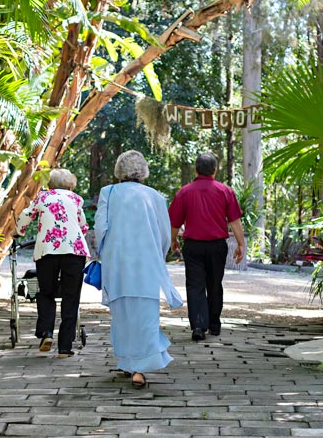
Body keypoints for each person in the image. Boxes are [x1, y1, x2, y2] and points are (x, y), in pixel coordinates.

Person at [95, 150, 183, 389]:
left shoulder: (108, 193)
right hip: (146, 263)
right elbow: (164, 232)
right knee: (145, 315)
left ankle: (128, 362)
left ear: (119, 170)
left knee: (121, 314)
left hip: (118, 263)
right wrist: (158, 254)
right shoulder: (154, 196)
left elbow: (101, 228)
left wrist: (103, 254)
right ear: (143, 171)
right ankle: (138, 368)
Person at [168, 152, 245, 341]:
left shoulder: (184, 192)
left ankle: (198, 326)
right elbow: (234, 221)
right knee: (214, 283)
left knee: (195, 285)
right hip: (217, 246)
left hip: (193, 246)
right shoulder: (225, 191)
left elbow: (174, 223)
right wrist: (241, 244)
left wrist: (172, 240)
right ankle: (214, 324)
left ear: (195, 169)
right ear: (215, 171)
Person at [16, 168, 90, 358]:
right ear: (70, 184)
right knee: (71, 297)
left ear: (50, 184)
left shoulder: (43, 197)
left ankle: (46, 333)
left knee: (46, 292)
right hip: (74, 251)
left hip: (48, 250)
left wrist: (20, 231)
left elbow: (25, 216)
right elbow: (83, 225)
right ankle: (64, 348)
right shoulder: (76, 199)